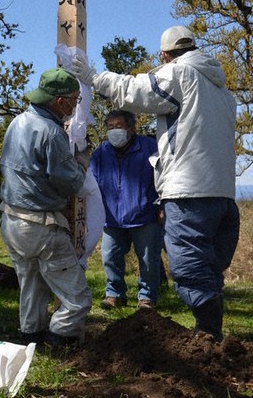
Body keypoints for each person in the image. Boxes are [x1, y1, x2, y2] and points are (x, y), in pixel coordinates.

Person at [73, 25, 240, 341]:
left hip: (189, 191)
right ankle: (214, 337)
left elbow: (137, 91)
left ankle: (208, 334)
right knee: (208, 266)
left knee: (189, 266)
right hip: (223, 195)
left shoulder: (181, 74)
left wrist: (95, 78)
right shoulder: (222, 91)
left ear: (166, 55)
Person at [0, 67, 92, 349]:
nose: (75, 107)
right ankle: (59, 337)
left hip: (12, 220)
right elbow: (70, 182)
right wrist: (82, 162)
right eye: (74, 101)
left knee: (32, 286)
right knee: (78, 298)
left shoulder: (18, 123)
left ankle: (31, 337)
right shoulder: (51, 133)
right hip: (41, 225)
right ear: (59, 102)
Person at [90, 109, 162, 310]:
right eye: (110, 127)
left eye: (118, 126)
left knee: (148, 260)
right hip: (111, 217)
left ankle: (146, 298)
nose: (114, 131)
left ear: (131, 128)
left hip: (145, 215)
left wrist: (162, 205)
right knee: (110, 257)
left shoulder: (150, 148)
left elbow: (164, 177)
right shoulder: (101, 152)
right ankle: (115, 294)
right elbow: (91, 183)